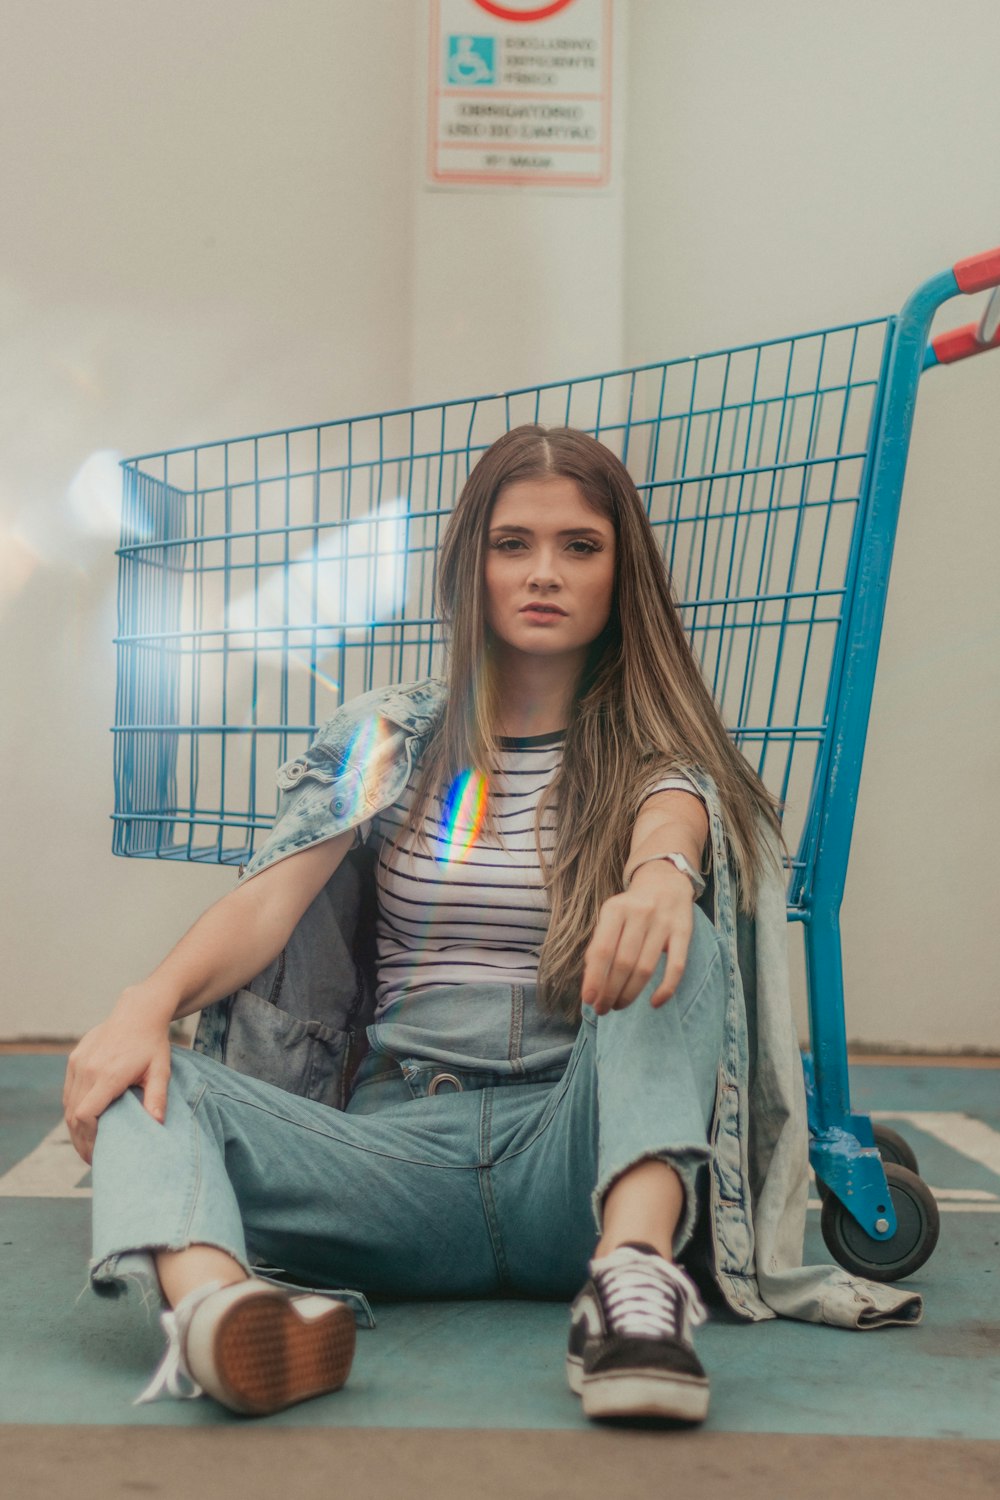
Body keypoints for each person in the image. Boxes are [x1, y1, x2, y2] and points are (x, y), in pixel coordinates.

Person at [64, 426, 921, 1426]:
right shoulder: (387, 738)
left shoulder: (657, 753)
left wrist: (655, 885)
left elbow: (669, 828)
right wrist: (143, 1003)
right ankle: (229, 1317)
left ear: (619, 572)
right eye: (512, 544)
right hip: (394, 1161)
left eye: (579, 546)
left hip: (579, 1158)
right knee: (139, 1079)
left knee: (670, 934)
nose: (543, 572)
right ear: (471, 564)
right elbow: (269, 897)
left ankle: (631, 1295)